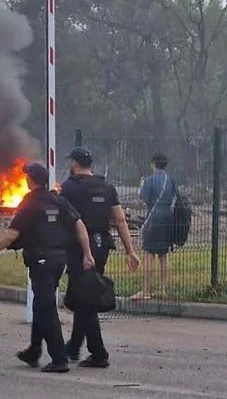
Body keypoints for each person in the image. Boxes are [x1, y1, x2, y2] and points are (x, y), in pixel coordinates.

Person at [0, 163, 94, 373]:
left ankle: (59, 358)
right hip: (59, 260)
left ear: (30, 180)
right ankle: (34, 351)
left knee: (45, 308)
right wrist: (87, 253)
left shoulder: (30, 204)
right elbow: (79, 225)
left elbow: (12, 234)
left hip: (41, 261)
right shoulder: (58, 200)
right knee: (40, 304)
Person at [59, 147, 140, 368]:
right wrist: (130, 250)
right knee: (85, 293)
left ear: (74, 163)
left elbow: (64, 219)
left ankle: (98, 352)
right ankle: (74, 346)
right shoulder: (106, 186)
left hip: (79, 247)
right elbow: (120, 220)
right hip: (102, 245)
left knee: (85, 299)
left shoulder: (69, 188)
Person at [134, 152, 176, 300]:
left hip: (153, 219)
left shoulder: (149, 180)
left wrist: (141, 188)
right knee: (164, 255)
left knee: (149, 254)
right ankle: (163, 289)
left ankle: (146, 290)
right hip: (167, 219)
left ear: (153, 164)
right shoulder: (170, 179)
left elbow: (141, 200)